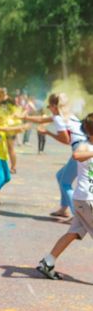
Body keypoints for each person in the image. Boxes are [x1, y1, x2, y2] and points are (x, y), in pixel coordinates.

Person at [37, 112, 93, 279]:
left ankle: (48, 262)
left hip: (84, 199)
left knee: (73, 232)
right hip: (86, 199)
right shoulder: (86, 146)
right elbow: (77, 155)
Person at [22, 93, 86, 219]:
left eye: (49, 106)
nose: (49, 109)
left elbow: (65, 140)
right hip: (86, 148)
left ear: (53, 106)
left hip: (80, 150)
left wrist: (47, 132)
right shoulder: (68, 115)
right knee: (60, 176)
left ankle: (79, 215)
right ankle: (63, 209)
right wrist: (26, 117)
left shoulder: (58, 118)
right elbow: (41, 120)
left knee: (65, 182)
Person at [0, 107, 29, 213]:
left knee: (7, 178)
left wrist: (22, 128)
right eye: (0, 118)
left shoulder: (1, 125)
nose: (1, 120)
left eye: (2, 118)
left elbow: (11, 131)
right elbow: (5, 129)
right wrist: (20, 126)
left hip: (3, 157)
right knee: (0, 179)